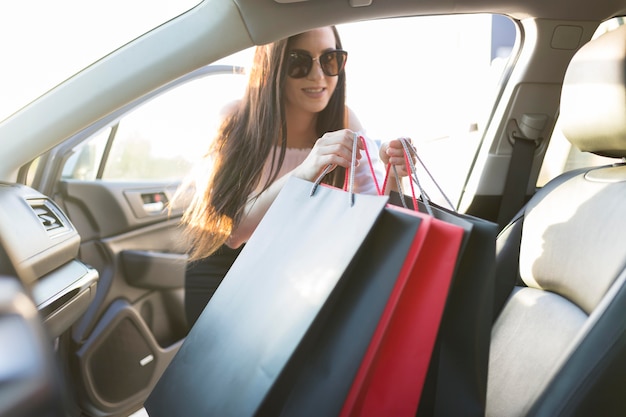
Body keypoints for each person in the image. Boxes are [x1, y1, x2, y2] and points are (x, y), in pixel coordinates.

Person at [180, 26, 413, 326]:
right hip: (225, 270)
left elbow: (375, 213)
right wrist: (305, 170)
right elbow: (234, 231)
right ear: (273, 67)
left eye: (330, 60)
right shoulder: (235, 120)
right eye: (299, 62)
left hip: (295, 270)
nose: (318, 76)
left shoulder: (344, 119)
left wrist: (396, 173)